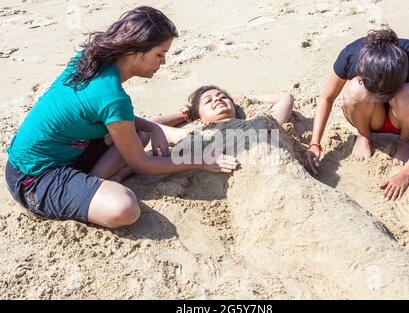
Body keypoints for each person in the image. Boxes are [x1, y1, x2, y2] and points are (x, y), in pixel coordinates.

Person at [5, 6, 238, 229]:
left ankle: (94, 182)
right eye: (160, 54)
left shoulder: (91, 57)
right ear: (135, 51)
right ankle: (98, 185)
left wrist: (155, 128)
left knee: (142, 133)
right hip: (34, 177)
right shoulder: (112, 96)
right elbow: (142, 163)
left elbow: (112, 116)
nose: (163, 62)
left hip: (66, 151)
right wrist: (203, 160)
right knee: (125, 208)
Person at [304, 27, 409, 201]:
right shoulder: (351, 55)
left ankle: (405, 141)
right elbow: (327, 97)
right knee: (354, 90)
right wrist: (315, 143)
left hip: (407, 117)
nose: (382, 98)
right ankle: (364, 135)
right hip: (369, 116)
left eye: (386, 93)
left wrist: (407, 173)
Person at [103, 85, 295, 183]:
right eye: (208, 101)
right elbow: (148, 125)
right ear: (199, 118)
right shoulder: (192, 133)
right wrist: (183, 114)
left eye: (222, 97)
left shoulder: (259, 124)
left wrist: (241, 98)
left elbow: (285, 98)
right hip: (203, 146)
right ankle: (118, 176)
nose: (218, 100)